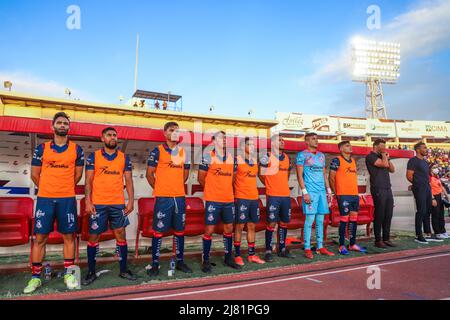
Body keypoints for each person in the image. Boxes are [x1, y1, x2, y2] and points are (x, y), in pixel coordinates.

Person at [24, 112, 85, 294]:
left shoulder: (77, 149)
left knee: (68, 237)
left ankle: (68, 273)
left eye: (65, 123)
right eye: (59, 123)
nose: (62, 125)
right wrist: (48, 189)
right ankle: (35, 277)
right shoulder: (42, 149)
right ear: (53, 126)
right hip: (45, 199)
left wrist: (63, 187)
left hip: (67, 199)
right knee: (40, 238)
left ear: (69, 127)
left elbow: (78, 175)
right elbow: (35, 174)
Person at [83, 127, 137, 285]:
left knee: (121, 235)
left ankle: (123, 270)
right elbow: (88, 181)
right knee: (94, 237)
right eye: (109, 135)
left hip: (117, 203)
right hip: (98, 204)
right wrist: (88, 201)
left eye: (114, 135)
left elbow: (129, 181)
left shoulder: (124, 158)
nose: (112, 137)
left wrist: (131, 200)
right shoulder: (94, 157)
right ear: (102, 138)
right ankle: (91, 272)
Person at [146, 122, 193, 276]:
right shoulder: (157, 151)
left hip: (179, 197)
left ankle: (180, 261)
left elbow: (185, 174)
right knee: (158, 231)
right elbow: (149, 174)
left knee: (179, 231)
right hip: (163, 198)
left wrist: (177, 186)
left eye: (177, 131)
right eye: (171, 130)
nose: (174, 133)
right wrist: (160, 188)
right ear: (165, 133)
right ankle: (155, 263)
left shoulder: (183, 152)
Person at [198, 131, 241, 273]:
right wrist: (212, 191)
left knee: (229, 228)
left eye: (224, 138)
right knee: (209, 230)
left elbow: (233, 178)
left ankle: (228, 258)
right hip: (213, 200)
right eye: (220, 138)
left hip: (228, 199)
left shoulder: (232, 158)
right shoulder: (207, 157)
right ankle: (205, 260)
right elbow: (201, 178)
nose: (223, 140)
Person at [295, 133, 334, 259]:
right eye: (313, 139)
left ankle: (320, 246)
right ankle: (307, 247)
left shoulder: (321, 156)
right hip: (310, 192)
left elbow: (324, 174)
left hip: (322, 192)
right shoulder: (302, 155)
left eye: (317, 138)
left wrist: (329, 191)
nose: (316, 141)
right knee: (309, 221)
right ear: (306, 141)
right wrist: (304, 192)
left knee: (320, 221)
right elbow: (299, 175)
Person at [259, 134, 295, 262]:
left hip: (285, 195)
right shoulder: (267, 156)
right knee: (271, 223)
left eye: (283, 140)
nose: (282, 142)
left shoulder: (287, 158)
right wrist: (270, 184)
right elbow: (261, 174)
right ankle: (268, 250)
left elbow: (288, 174)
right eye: (279, 141)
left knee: (284, 222)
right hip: (273, 194)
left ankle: (282, 249)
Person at [329, 141, 367, 255]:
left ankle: (352, 244)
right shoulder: (337, 160)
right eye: (347, 146)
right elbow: (331, 177)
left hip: (354, 195)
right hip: (343, 195)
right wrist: (336, 193)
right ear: (341, 149)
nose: (350, 147)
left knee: (354, 220)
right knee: (344, 220)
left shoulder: (353, 161)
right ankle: (341, 245)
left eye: (350, 145)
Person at [233, 137, 266, 266]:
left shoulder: (255, 162)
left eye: (253, 145)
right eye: (249, 144)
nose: (252, 147)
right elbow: (232, 179)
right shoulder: (237, 160)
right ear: (242, 147)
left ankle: (251, 254)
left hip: (254, 198)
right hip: (241, 197)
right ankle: (237, 255)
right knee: (240, 226)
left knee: (252, 226)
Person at [407, 142, 443, 244]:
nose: (426, 149)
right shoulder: (413, 161)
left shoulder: (425, 162)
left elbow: (427, 178)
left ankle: (428, 233)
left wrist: (431, 195)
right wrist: (416, 185)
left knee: (427, 211)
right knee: (421, 211)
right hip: (419, 189)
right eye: (424, 148)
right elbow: (409, 175)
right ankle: (418, 235)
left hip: (427, 188)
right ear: (418, 149)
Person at [365, 139, 396, 249]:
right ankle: (378, 240)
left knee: (388, 214)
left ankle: (386, 238)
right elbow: (383, 164)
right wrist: (384, 155)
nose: (384, 148)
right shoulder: (371, 156)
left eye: (385, 146)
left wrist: (387, 157)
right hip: (378, 188)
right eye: (382, 146)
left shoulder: (384, 157)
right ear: (376, 146)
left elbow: (392, 169)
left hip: (387, 188)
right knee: (380, 214)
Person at [430, 165, 449, 239]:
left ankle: (443, 231)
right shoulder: (429, 178)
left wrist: (447, 197)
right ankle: (437, 232)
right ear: (431, 169)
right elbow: (429, 189)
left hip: (440, 197)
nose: (437, 169)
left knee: (441, 215)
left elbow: (442, 188)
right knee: (436, 215)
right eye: (434, 167)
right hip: (434, 197)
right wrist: (432, 198)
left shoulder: (437, 178)